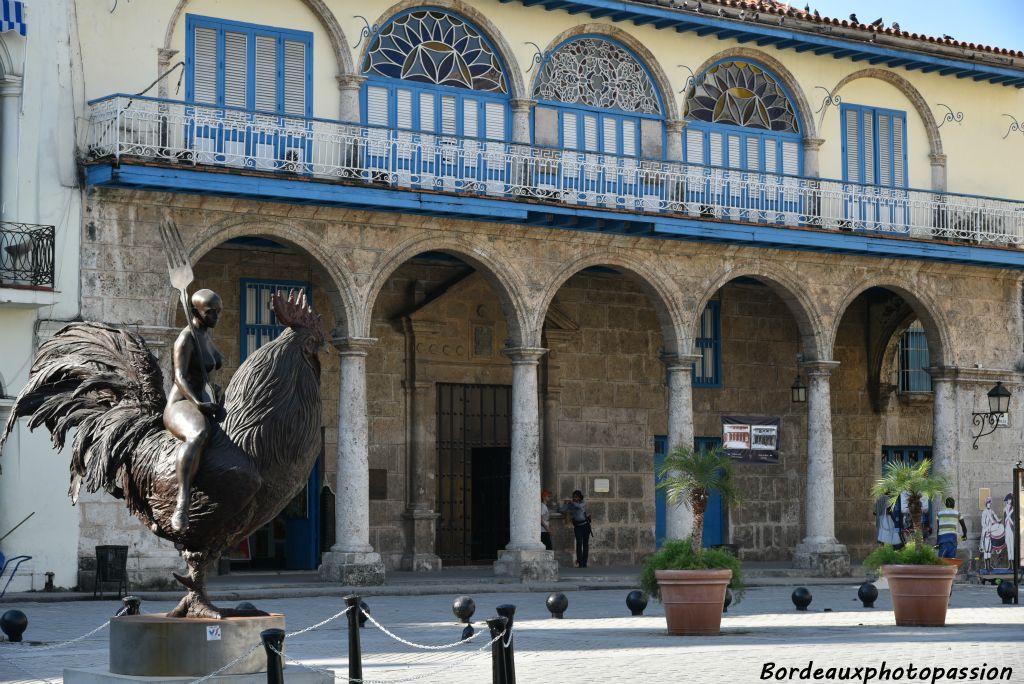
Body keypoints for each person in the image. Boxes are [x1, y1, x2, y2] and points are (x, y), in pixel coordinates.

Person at [164, 288, 226, 533]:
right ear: (195, 312)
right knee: (198, 434)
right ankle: (182, 501)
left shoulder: (206, 336)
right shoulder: (186, 338)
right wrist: (198, 403)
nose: (216, 318)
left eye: (219, 312)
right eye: (211, 313)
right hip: (181, 402)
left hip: (204, 400)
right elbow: (179, 377)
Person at [559, 490, 591, 568]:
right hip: (577, 526)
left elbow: (579, 506)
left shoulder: (582, 503)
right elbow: (562, 510)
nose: (574, 498)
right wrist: (565, 503)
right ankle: (580, 562)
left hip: (585, 526)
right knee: (579, 543)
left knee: (585, 544)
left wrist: (572, 502)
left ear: (579, 497)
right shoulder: (571, 504)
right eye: (574, 497)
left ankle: (584, 562)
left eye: (576, 497)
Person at [981, 496, 1000, 570]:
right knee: (986, 549)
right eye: (988, 503)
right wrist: (987, 528)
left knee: (989, 549)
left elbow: (995, 516)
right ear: (986, 504)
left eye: (990, 503)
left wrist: (998, 521)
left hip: (991, 531)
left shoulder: (991, 511)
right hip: (986, 532)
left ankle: (989, 565)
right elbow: (983, 522)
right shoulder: (984, 512)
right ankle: (987, 566)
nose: (989, 504)